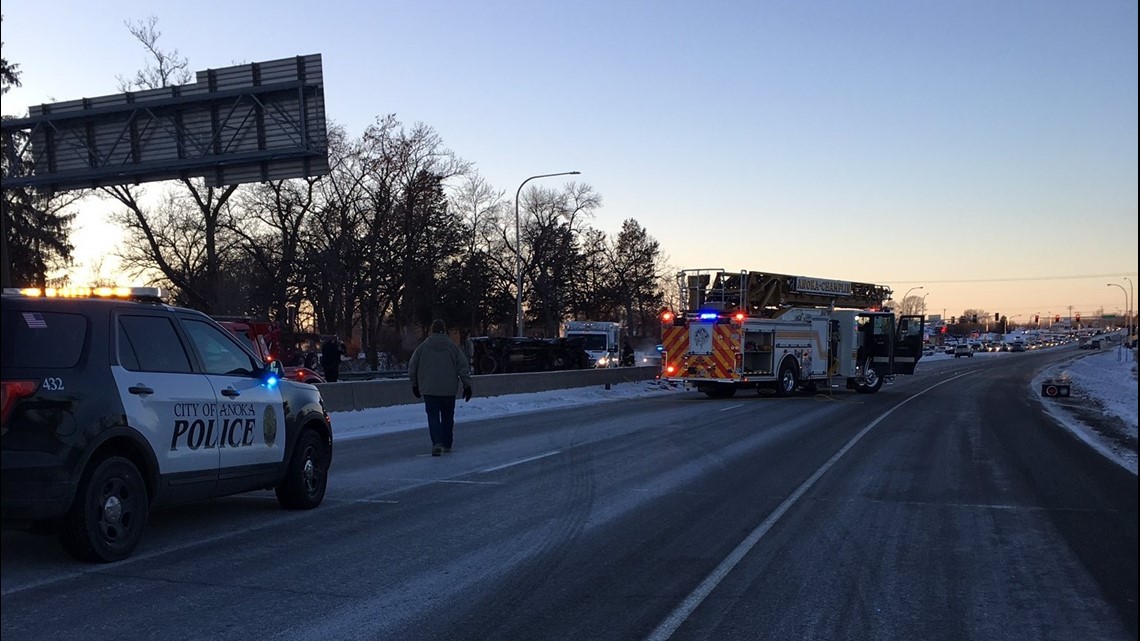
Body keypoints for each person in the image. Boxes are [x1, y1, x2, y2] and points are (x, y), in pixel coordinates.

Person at [409, 319, 473, 456]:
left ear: (432, 330)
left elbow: (412, 366)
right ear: (445, 330)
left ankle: (436, 443)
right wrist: (467, 385)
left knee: (433, 417)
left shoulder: (423, 347)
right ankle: (447, 443)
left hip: (429, 389)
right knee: (448, 417)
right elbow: (463, 367)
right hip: (448, 389)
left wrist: (415, 384)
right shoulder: (452, 347)